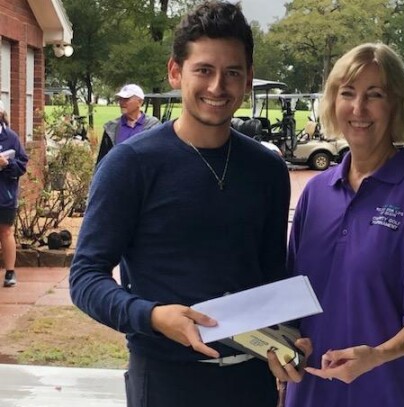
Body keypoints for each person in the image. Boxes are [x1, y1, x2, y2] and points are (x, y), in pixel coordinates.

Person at [70, 2, 294, 406]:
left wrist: (288, 336)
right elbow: (85, 276)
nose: (217, 87)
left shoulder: (268, 169)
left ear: (247, 80)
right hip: (164, 381)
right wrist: (152, 316)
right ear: (176, 72)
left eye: (232, 73)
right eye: (204, 70)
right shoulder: (130, 165)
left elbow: (271, 272)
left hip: (250, 382)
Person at [284, 43, 404, 407]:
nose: (358, 108)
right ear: (333, 102)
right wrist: (286, 349)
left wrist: (376, 355)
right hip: (313, 392)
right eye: (347, 93)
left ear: (396, 103)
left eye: (374, 95)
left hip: (390, 391)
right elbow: (291, 300)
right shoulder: (316, 193)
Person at [0, 101, 29, 287]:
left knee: (6, 231)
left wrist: (7, 164)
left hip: (4, 195)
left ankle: (10, 272)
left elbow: (22, 165)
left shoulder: (11, 137)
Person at [95, 83, 160, 165]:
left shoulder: (153, 127)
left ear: (139, 102)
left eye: (126, 99)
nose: (122, 103)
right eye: (120, 99)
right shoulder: (111, 127)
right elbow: (102, 160)